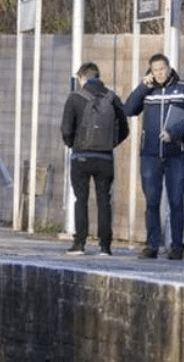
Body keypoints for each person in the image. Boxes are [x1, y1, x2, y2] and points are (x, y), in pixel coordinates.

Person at [123, 53, 184, 260]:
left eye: (162, 69)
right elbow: (128, 109)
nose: (159, 73)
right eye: (155, 70)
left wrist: (173, 133)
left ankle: (177, 246)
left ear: (168, 68)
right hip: (150, 155)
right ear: (150, 71)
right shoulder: (148, 91)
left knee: (176, 201)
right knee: (152, 202)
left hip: (176, 155)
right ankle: (152, 245)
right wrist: (142, 87)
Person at [61, 62, 129, 256]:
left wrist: (73, 145)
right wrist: (109, 144)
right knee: (104, 201)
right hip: (105, 158)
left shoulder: (75, 98)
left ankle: (79, 243)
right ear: (98, 76)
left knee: (81, 199)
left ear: (82, 77)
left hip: (81, 156)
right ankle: (105, 246)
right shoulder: (112, 98)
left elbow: (66, 128)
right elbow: (125, 129)